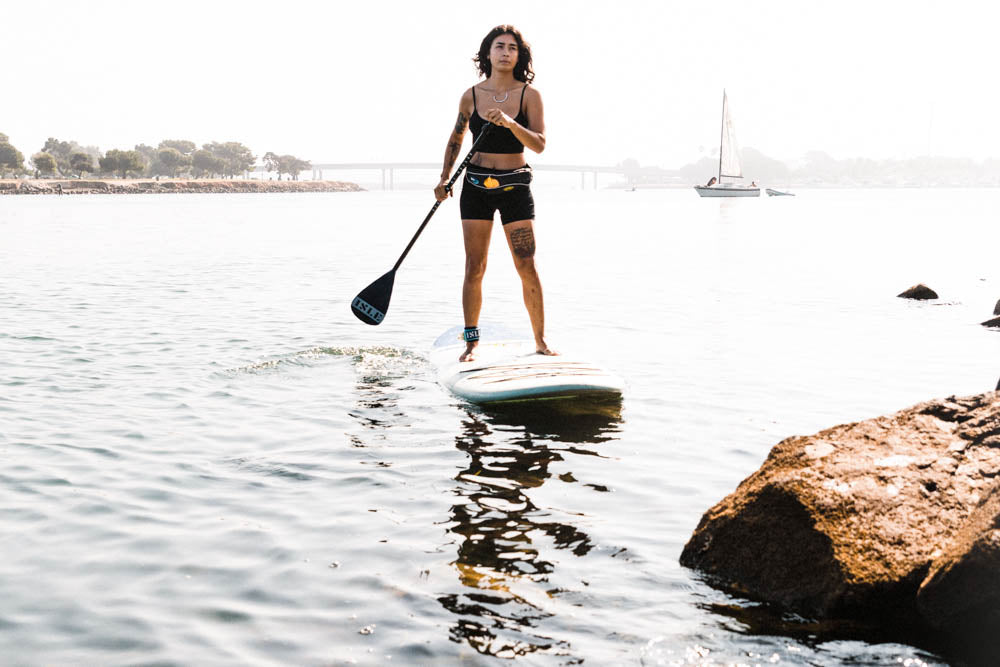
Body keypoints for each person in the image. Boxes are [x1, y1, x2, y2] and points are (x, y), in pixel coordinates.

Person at [434, 25, 555, 362]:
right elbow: (457, 139)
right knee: (475, 266)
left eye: (512, 48)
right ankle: (471, 343)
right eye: (499, 47)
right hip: (475, 187)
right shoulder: (470, 96)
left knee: (526, 264)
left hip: (515, 186)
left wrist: (510, 124)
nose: (505, 53)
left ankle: (541, 342)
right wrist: (445, 178)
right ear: (487, 53)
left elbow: (540, 145)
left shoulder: (529, 95)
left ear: (520, 55)